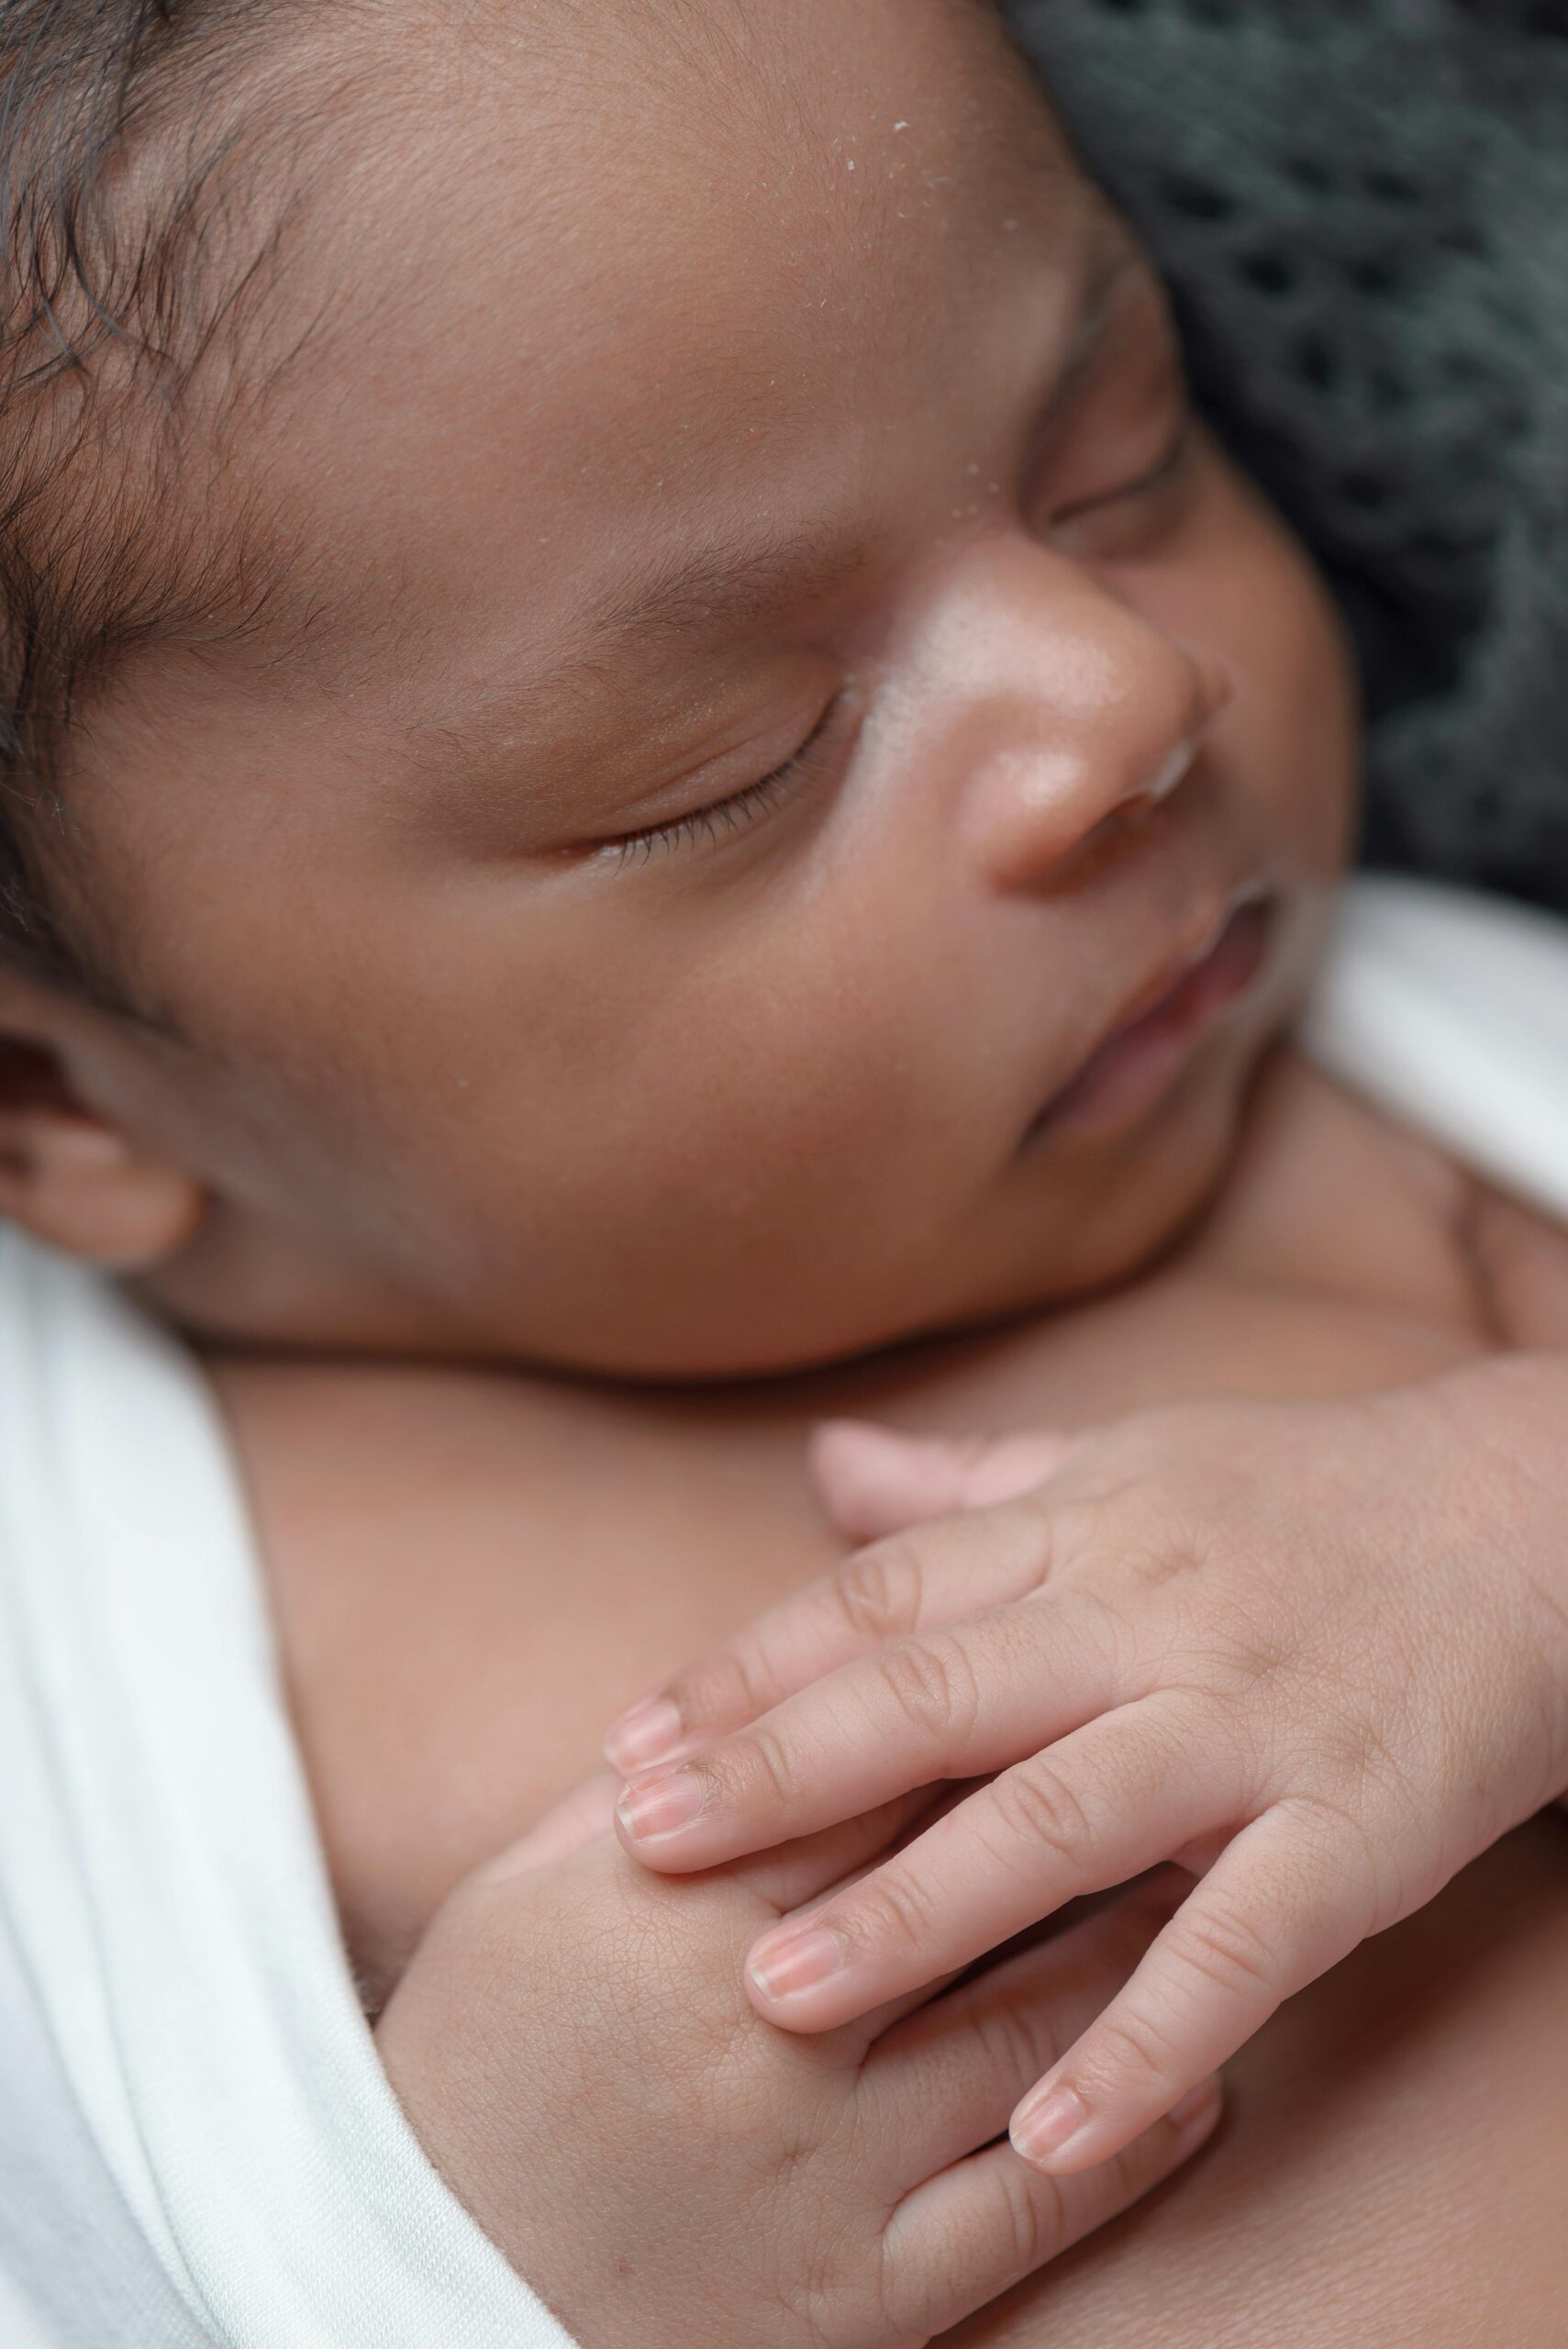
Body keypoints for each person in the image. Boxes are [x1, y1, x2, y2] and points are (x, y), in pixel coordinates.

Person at [1, 1, 1566, 2341]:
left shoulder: (1420, 1078)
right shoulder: (68, 1715)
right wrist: (484, 2282)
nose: (1125, 697)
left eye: (1118, 453)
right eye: (731, 759)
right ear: (72, 1109)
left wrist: (1506, 1530)